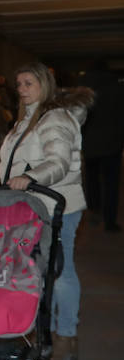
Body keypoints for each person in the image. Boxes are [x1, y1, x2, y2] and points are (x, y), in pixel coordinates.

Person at [0, 63, 94, 356]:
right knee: (36, 268)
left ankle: (65, 333)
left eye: (29, 83)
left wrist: (30, 178)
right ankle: (40, 327)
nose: (23, 89)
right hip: (32, 205)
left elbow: (59, 161)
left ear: (44, 84)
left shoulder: (54, 119)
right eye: (19, 84)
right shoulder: (27, 119)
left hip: (58, 206)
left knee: (61, 270)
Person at [79, 64, 122, 233]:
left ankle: (94, 211)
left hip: (91, 144)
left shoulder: (85, 92)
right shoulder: (117, 90)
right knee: (111, 184)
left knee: (92, 181)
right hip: (112, 144)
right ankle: (110, 221)